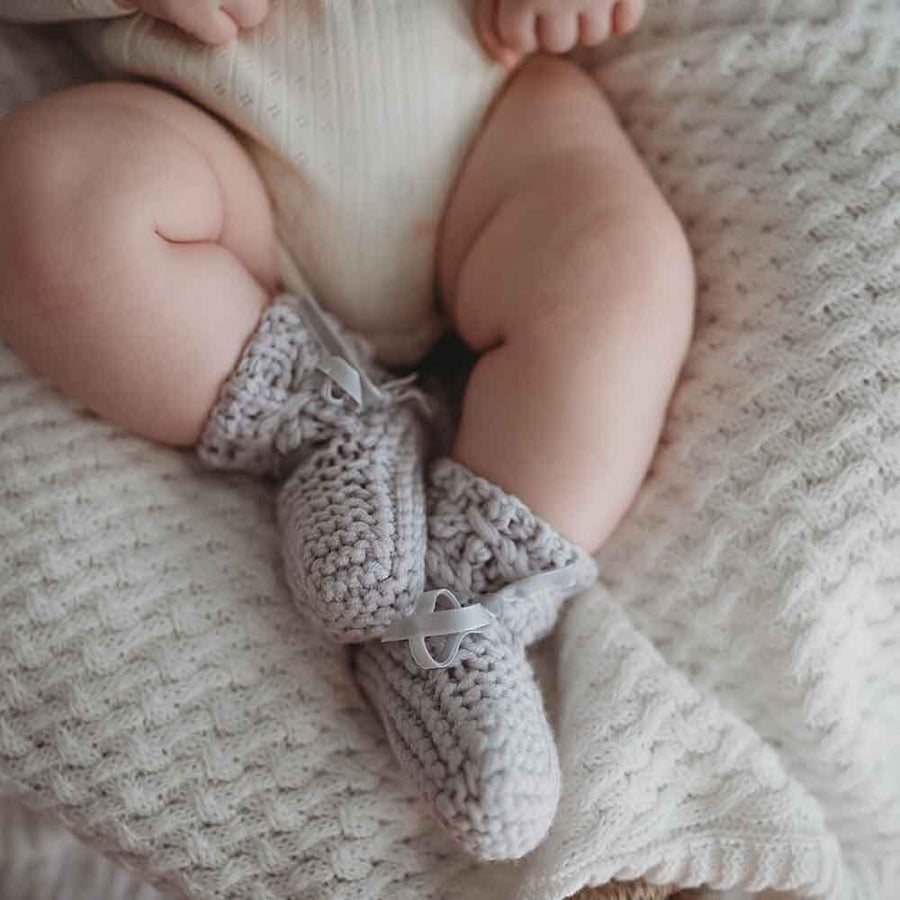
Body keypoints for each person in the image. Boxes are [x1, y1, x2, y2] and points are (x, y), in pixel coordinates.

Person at [0, 0, 694, 860]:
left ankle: (464, 602)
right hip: (216, 154)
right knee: (48, 184)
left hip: (493, 132)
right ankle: (325, 424)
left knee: (619, 273)